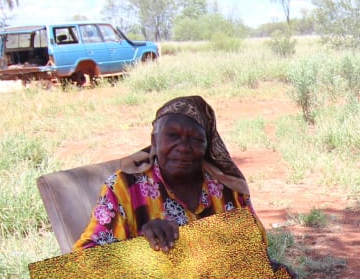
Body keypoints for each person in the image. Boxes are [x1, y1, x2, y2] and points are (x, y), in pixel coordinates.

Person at [76, 94, 255, 252]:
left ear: (206, 146)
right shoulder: (125, 187)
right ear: (154, 140)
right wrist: (141, 244)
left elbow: (255, 246)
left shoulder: (225, 186)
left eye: (195, 139)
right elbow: (85, 257)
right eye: (172, 135)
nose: (183, 147)